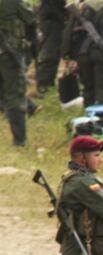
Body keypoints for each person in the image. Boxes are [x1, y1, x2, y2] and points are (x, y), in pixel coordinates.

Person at [0, 0, 35, 146]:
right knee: (15, 92)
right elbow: (30, 18)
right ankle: (20, 140)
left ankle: (31, 107)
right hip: (8, 52)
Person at [35, 0, 65, 93]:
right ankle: (43, 84)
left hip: (50, 21)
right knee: (50, 54)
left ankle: (47, 82)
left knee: (52, 53)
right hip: (52, 22)